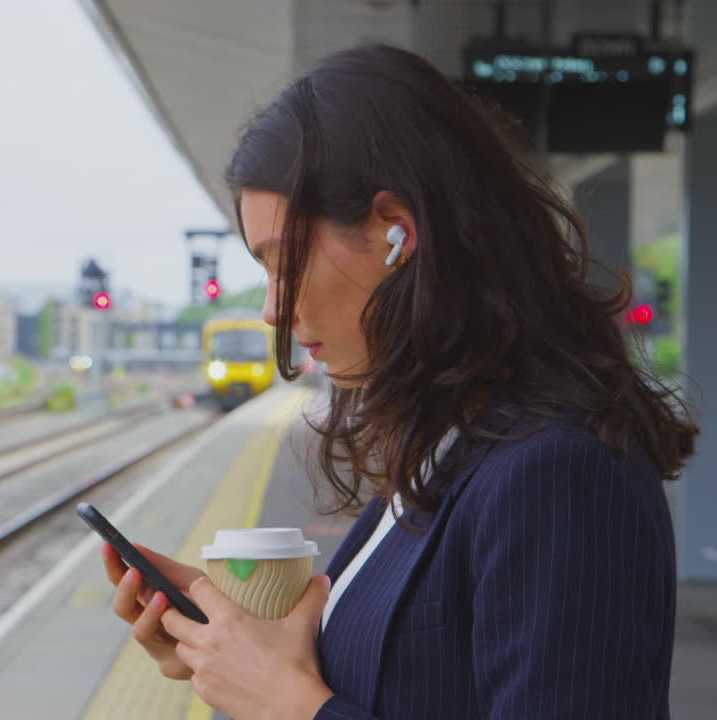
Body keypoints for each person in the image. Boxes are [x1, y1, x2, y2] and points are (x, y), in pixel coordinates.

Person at [102, 44, 697, 720]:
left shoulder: (559, 473)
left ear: (394, 231)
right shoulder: (454, 444)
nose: (272, 307)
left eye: (281, 262)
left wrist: (291, 705)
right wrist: (234, 648)